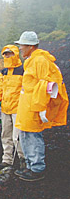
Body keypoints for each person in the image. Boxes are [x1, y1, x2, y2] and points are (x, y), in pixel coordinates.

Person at [13, 31, 68, 181]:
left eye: (22, 45)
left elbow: (48, 85)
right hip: (28, 106)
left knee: (32, 136)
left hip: (34, 107)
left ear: (30, 46)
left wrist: (42, 107)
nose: (20, 49)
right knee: (26, 134)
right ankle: (30, 166)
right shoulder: (32, 60)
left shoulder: (40, 61)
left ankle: (37, 169)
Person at [0, 45, 26, 169]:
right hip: (5, 108)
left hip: (18, 109)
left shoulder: (22, 70)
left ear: (15, 54)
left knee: (18, 137)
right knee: (5, 135)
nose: (7, 56)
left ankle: (23, 160)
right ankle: (7, 159)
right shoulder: (4, 72)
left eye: (9, 54)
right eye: (5, 54)